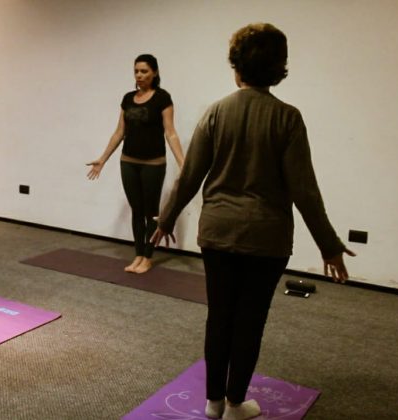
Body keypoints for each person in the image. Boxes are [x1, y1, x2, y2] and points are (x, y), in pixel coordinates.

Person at [151, 23, 355, 420]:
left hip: (218, 233)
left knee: (220, 316)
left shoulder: (217, 112)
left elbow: (188, 176)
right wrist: (329, 245)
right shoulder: (287, 119)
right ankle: (234, 404)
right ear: (279, 69)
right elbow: (304, 192)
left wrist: (167, 218)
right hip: (266, 240)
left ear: (236, 67)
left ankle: (212, 402)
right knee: (249, 322)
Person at [87, 54, 185, 274]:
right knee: (136, 211)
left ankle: (148, 258)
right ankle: (138, 255)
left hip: (153, 163)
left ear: (155, 73)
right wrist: (102, 159)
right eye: (136, 71)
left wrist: (183, 163)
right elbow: (119, 132)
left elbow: (171, 133)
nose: (139, 75)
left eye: (144, 71)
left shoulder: (162, 98)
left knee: (151, 212)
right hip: (128, 162)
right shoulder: (128, 98)